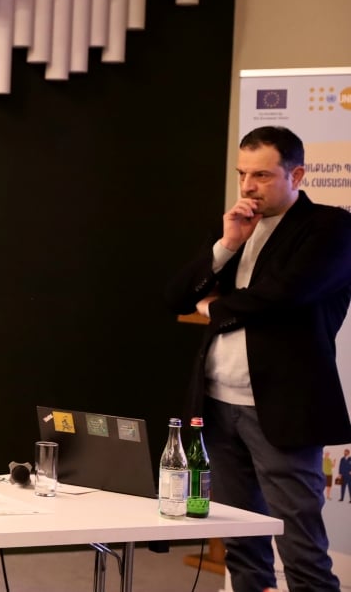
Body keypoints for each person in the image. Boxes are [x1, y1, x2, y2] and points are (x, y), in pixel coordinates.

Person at [166, 126, 351, 592]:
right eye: (242, 174)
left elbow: (283, 296)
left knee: (300, 546)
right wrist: (228, 243)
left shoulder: (330, 228)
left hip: (282, 410)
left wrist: (214, 308)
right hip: (216, 405)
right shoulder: (234, 225)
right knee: (242, 544)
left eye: (263, 175)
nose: (248, 186)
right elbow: (174, 298)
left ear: (297, 175)